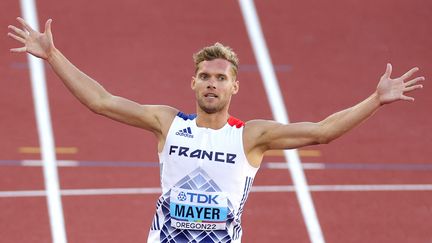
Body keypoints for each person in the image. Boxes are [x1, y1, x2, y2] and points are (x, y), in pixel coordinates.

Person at [8, 17, 425, 243]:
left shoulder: (250, 137)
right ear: (193, 82)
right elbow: (100, 101)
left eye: (220, 78)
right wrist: (53, 55)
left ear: (234, 86)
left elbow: (321, 132)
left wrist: (374, 100)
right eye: (205, 76)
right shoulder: (167, 124)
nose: (212, 82)